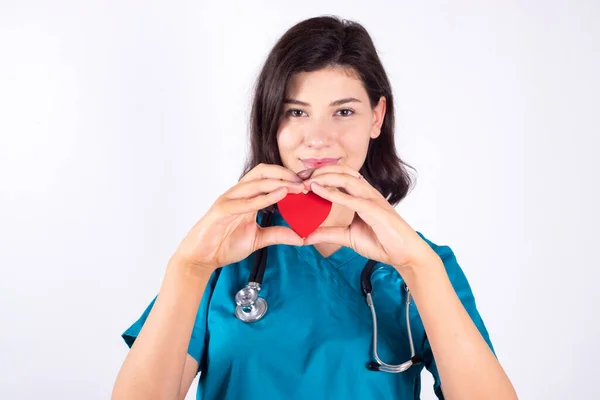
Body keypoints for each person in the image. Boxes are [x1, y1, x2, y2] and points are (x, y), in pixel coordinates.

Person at [111, 15, 517, 400]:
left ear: (377, 117)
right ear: (272, 120)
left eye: (343, 112)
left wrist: (418, 268)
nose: (318, 138)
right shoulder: (224, 255)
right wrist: (189, 267)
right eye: (297, 112)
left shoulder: (423, 265)